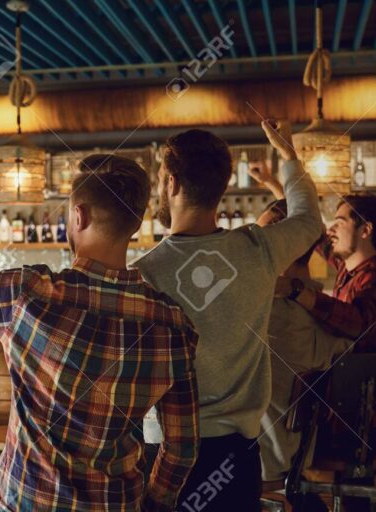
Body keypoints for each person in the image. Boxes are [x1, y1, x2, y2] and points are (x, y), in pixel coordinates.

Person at [0, 155, 200, 512]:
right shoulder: (173, 327)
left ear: (79, 216)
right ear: (135, 223)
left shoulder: (29, 295)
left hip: (27, 499)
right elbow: (182, 448)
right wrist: (154, 502)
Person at [131, 120, 322, 511]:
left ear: (170, 182)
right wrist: (288, 158)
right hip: (238, 454)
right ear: (222, 186)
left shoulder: (141, 275)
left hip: (163, 453)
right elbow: (308, 220)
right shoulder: (257, 249)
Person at [272, 192, 376, 511]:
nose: (331, 229)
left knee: (283, 454)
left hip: (366, 423)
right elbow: (316, 237)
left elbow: (362, 324)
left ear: (365, 230)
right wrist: (283, 191)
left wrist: (298, 292)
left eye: (340, 221)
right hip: (349, 415)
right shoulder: (351, 270)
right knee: (289, 456)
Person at [254, 199, 353, 484]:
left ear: (283, 246)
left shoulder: (263, 315)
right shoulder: (325, 321)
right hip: (296, 459)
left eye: (259, 238)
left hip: (255, 464)